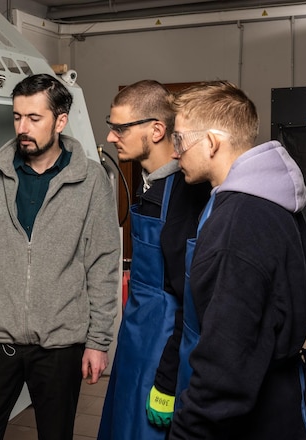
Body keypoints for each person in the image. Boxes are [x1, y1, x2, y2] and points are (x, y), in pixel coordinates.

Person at [0, 73, 121, 440]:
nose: (22, 127)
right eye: (17, 117)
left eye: (34, 118)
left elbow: (103, 263)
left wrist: (98, 341)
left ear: (60, 121)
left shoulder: (89, 179)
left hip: (60, 343)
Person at [169, 80, 306, 439]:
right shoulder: (272, 198)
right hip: (285, 396)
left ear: (211, 142)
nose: (175, 152)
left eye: (179, 140)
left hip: (261, 417)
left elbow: (225, 369)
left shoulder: (239, 223)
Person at [97, 80, 211, 440]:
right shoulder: (150, 186)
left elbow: (192, 302)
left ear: (157, 130)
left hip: (162, 346)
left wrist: (166, 379)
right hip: (135, 336)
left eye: (120, 127)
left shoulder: (186, 196)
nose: (112, 137)